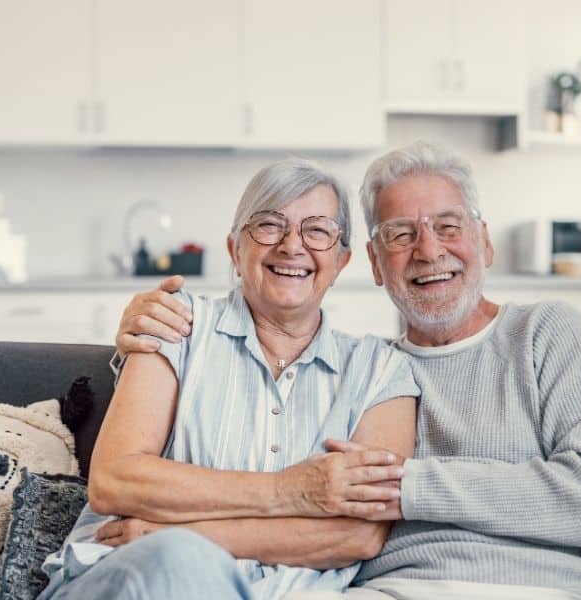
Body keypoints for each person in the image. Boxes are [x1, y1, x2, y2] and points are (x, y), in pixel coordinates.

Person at [116, 142, 581, 600]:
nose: (428, 251)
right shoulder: (367, 371)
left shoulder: (545, 332)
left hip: (550, 587)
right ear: (373, 262)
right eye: (400, 235)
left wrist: (406, 485)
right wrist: (137, 340)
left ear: (484, 241)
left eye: (449, 226)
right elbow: (329, 526)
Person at [39, 158, 420, 600]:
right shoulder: (177, 323)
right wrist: (291, 491)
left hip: (283, 591)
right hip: (135, 577)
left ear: (341, 260)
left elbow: (356, 536)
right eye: (269, 225)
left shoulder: (381, 369)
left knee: (181, 552)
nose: (291, 246)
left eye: (317, 230)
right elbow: (116, 480)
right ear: (235, 249)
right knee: (176, 562)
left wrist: (184, 532)